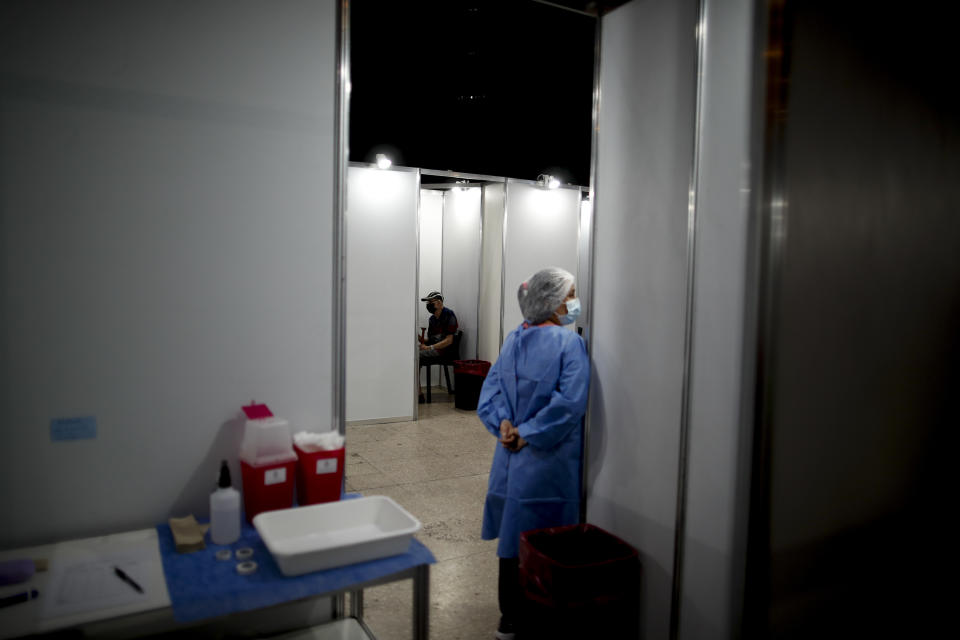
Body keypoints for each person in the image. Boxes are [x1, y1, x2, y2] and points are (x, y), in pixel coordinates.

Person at [476, 267, 589, 640]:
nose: (574, 302)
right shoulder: (569, 344)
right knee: (546, 539)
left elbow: (489, 395)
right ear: (553, 302)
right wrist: (529, 434)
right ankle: (541, 616)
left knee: (512, 538)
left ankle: (509, 618)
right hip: (547, 462)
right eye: (570, 295)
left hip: (509, 459)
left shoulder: (513, 339)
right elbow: (570, 403)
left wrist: (504, 427)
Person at [418, 291, 458, 402]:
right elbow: (430, 340)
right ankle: (417, 391)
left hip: (445, 351)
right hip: (435, 348)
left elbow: (449, 341)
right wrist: (419, 338)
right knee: (413, 353)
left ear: (439, 303)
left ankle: (418, 393)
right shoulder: (432, 319)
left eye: (431, 302)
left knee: (415, 356)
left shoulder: (449, 315)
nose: (428, 305)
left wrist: (429, 347)